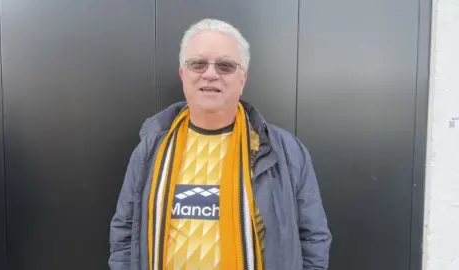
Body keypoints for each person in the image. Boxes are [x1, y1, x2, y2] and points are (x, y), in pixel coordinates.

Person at [108, 18, 332, 270]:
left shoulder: (286, 152)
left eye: (225, 66)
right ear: (183, 74)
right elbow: (124, 234)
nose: (210, 74)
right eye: (198, 64)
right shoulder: (150, 150)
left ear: (243, 79)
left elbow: (313, 239)